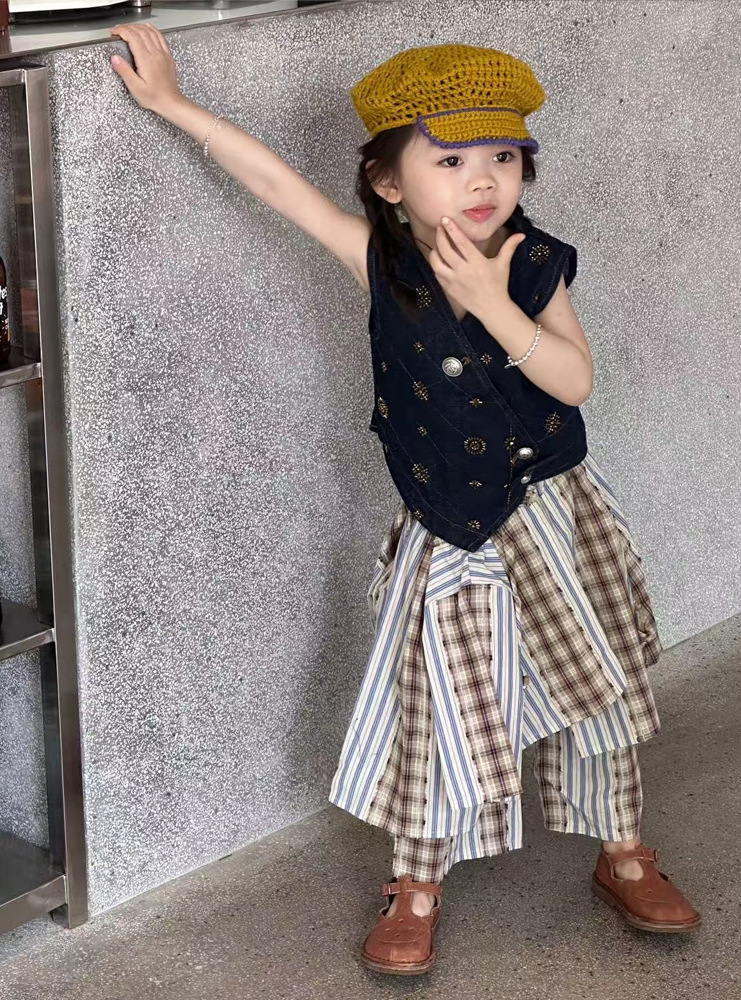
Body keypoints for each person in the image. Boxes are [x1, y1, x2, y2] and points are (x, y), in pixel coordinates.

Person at [109, 27, 701, 976]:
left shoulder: (535, 262)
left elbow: (575, 380)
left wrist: (496, 303)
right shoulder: (381, 265)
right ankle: (416, 880)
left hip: (554, 513)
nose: (483, 180)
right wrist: (174, 105)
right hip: (451, 529)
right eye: (451, 160)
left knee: (600, 688)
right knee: (435, 707)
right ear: (389, 183)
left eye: (503, 156)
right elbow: (278, 186)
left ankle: (623, 849)